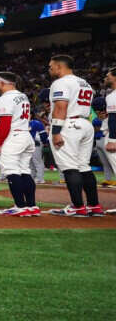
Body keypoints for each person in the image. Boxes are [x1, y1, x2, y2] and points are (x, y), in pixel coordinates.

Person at [46, 54, 102, 216]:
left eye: (51, 67)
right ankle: (94, 205)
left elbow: (61, 107)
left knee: (70, 167)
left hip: (68, 124)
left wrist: (56, 131)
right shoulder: (84, 83)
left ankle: (77, 206)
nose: (49, 69)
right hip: (85, 123)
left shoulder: (61, 82)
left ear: (59, 66)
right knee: (84, 166)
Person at [0, 71, 39, 217]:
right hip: (25, 134)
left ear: (3, 83)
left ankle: (20, 206)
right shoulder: (22, 96)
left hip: (12, 136)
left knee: (12, 171)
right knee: (24, 170)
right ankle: (31, 206)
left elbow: (5, 122)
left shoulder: (5, 99)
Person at [104, 67, 116, 213]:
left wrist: (113, 139)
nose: (106, 78)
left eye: (108, 76)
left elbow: (114, 119)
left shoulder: (113, 96)